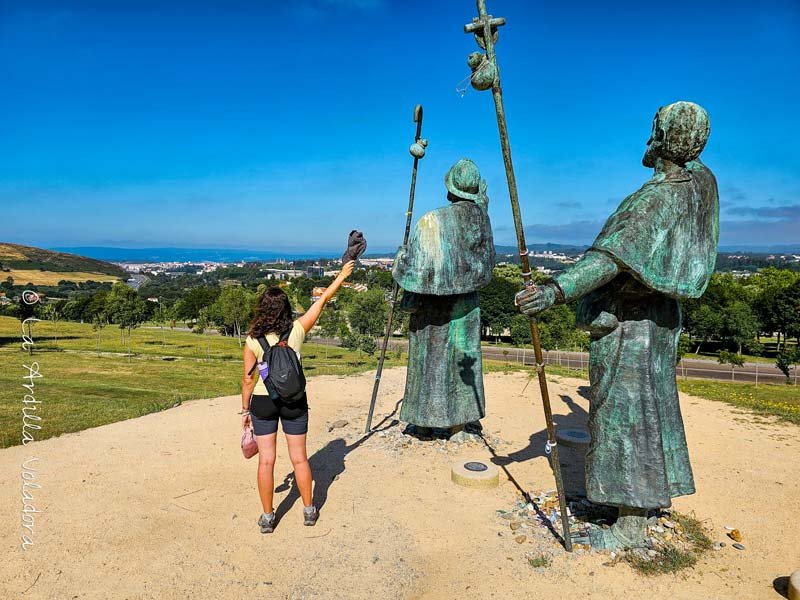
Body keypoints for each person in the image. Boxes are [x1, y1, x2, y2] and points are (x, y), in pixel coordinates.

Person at [515, 101, 718, 550]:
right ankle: (628, 501)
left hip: (633, 320)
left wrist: (554, 291)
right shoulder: (701, 184)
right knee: (647, 410)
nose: (649, 139)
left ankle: (630, 525)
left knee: (628, 415)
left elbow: (609, 259)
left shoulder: (658, 197)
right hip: (661, 318)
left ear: (663, 139)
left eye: (655, 131)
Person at [242, 260, 354, 533]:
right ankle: (308, 510)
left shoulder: (252, 339)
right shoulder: (298, 329)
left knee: (266, 460)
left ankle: (268, 517)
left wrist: (246, 411)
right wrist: (342, 275)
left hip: (263, 401)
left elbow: (247, 379)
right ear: (286, 308)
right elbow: (324, 298)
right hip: (295, 400)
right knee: (300, 458)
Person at [392, 158, 495, 438]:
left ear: (450, 191)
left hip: (430, 305)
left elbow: (412, 271)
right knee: (462, 358)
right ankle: (460, 424)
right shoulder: (481, 221)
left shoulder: (430, 220)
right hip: (465, 306)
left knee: (427, 364)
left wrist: (401, 258)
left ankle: (423, 422)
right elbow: (486, 265)